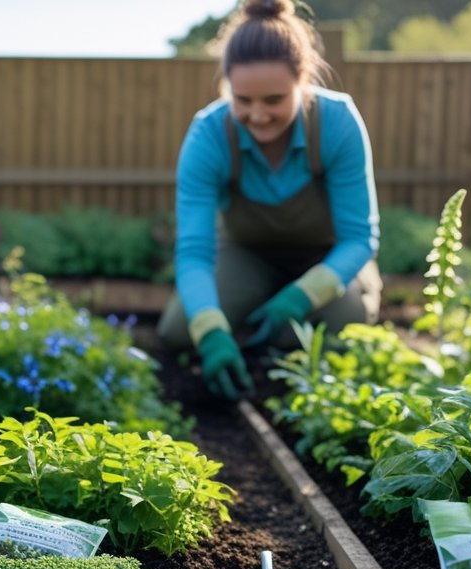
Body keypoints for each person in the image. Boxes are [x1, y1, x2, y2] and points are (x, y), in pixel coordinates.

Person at [157, 0, 382, 400]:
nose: (258, 115)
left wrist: (300, 296)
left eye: (274, 100)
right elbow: (194, 251)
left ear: (303, 80)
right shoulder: (209, 134)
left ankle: (278, 333)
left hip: (325, 257)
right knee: (180, 330)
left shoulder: (336, 122)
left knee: (343, 324)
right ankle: (247, 334)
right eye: (243, 100)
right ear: (226, 86)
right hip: (247, 255)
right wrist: (210, 334)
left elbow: (359, 238)